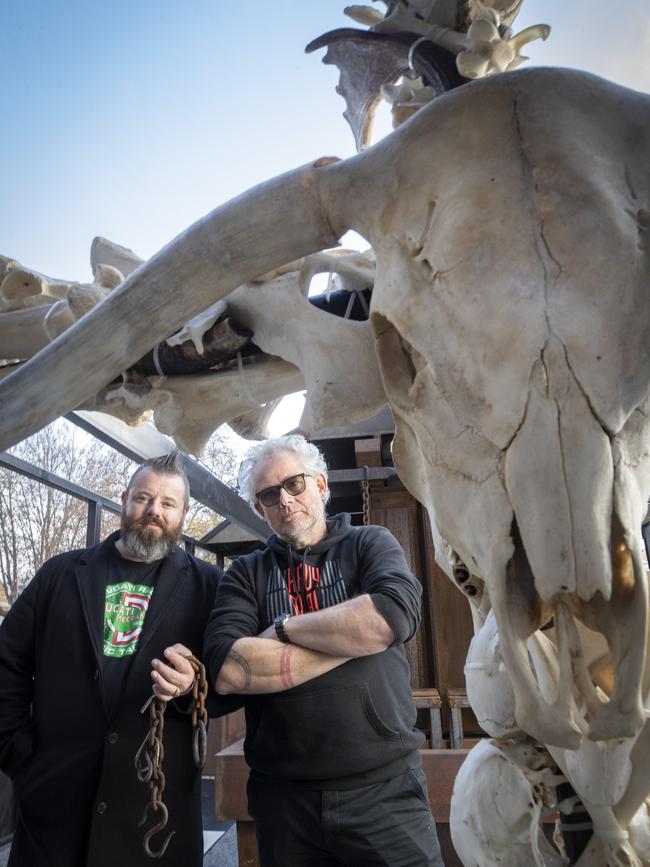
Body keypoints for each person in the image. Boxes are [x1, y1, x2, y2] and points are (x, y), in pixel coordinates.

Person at [204, 434, 443, 866]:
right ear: (260, 508)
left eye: (294, 484)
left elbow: (390, 616)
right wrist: (355, 638)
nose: (285, 499)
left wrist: (281, 628)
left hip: (386, 794)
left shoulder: (371, 542)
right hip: (285, 802)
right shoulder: (245, 574)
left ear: (320, 483)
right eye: (269, 494)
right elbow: (228, 669)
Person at [0, 452, 238, 867]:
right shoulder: (60, 573)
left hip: (153, 812)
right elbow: (6, 664)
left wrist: (190, 688)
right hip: (55, 799)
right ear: (125, 499)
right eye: (144, 498)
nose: (154, 512)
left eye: (167, 504)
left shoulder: (211, 586)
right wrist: (19, 755)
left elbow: (232, 679)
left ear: (184, 512)